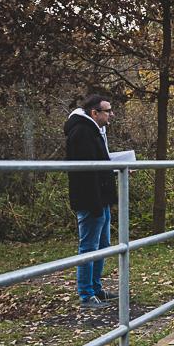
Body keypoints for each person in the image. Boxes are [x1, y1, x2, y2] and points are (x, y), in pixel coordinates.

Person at [64, 94, 117, 308]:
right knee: (89, 247)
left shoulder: (94, 131)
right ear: (94, 113)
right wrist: (95, 202)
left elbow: (100, 165)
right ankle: (86, 294)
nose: (111, 114)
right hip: (90, 200)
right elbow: (85, 173)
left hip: (100, 199)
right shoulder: (82, 132)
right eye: (107, 111)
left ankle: (95, 288)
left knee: (102, 245)